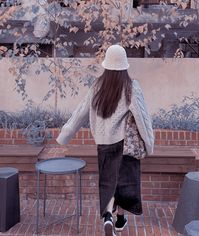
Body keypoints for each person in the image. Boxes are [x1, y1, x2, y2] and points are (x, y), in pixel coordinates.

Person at [56, 44, 154, 236]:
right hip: (124, 144)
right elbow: (143, 118)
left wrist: (65, 135)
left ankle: (108, 216)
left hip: (104, 144)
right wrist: (149, 144)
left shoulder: (96, 86)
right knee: (124, 183)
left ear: (106, 64)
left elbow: (80, 112)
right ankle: (120, 220)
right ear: (125, 65)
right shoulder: (131, 86)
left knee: (108, 181)